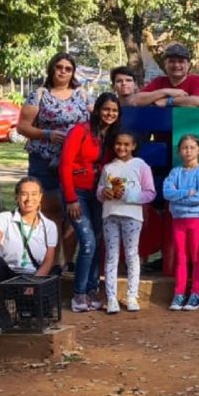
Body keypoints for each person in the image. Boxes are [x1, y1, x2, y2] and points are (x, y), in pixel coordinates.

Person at [59, 91, 120, 313]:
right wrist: (71, 199)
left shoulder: (112, 135)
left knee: (97, 239)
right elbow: (65, 165)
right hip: (78, 193)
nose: (109, 114)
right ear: (97, 109)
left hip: (99, 194)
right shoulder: (80, 131)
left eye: (114, 110)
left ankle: (93, 288)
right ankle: (79, 293)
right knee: (87, 242)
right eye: (106, 109)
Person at [17, 52, 90, 239]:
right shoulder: (40, 95)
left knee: (74, 212)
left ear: (73, 73)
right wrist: (47, 134)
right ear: (51, 69)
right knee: (51, 212)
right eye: (59, 67)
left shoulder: (82, 95)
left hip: (75, 161)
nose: (63, 72)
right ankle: (54, 262)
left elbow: (95, 122)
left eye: (68, 69)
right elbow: (22, 127)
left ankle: (70, 261)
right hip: (45, 160)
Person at [0, 178, 61, 328]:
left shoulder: (49, 226)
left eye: (34, 194)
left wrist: (32, 285)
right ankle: (3, 312)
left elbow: (48, 260)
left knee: (37, 315)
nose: (29, 199)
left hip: (33, 277)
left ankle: (28, 308)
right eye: (24, 194)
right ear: (17, 197)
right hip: (9, 275)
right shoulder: (4, 218)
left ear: (40, 197)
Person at [97, 132, 156, 314]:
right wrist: (103, 193)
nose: (122, 148)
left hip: (132, 216)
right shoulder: (108, 168)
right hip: (110, 215)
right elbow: (99, 190)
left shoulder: (141, 166)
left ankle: (132, 295)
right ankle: (112, 297)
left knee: (131, 255)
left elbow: (150, 193)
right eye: (118, 144)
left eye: (126, 144)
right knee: (112, 256)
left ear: (133, 146)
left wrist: (129, 195)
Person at [163, 135, 199, 311]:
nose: (188, 151)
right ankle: (179, 293)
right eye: (184, 147)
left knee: (197, 257)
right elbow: (167, 193)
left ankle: (196, 293)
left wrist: (179, 196)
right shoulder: (175, 172)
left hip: (196, 220)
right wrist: (187, 193)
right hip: (178, 220)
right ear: (179, 151)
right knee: (181, 258)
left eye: (192, 147)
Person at [131, 43, 199, 109]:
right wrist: (165, 91)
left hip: (188, 126)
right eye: (172, 61)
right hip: (162, 125)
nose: (176, 65)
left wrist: (168, 101)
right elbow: (135, 101)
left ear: (188, 65)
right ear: (165, 64)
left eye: (181, 61)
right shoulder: (159, 81)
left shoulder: (197, 80)